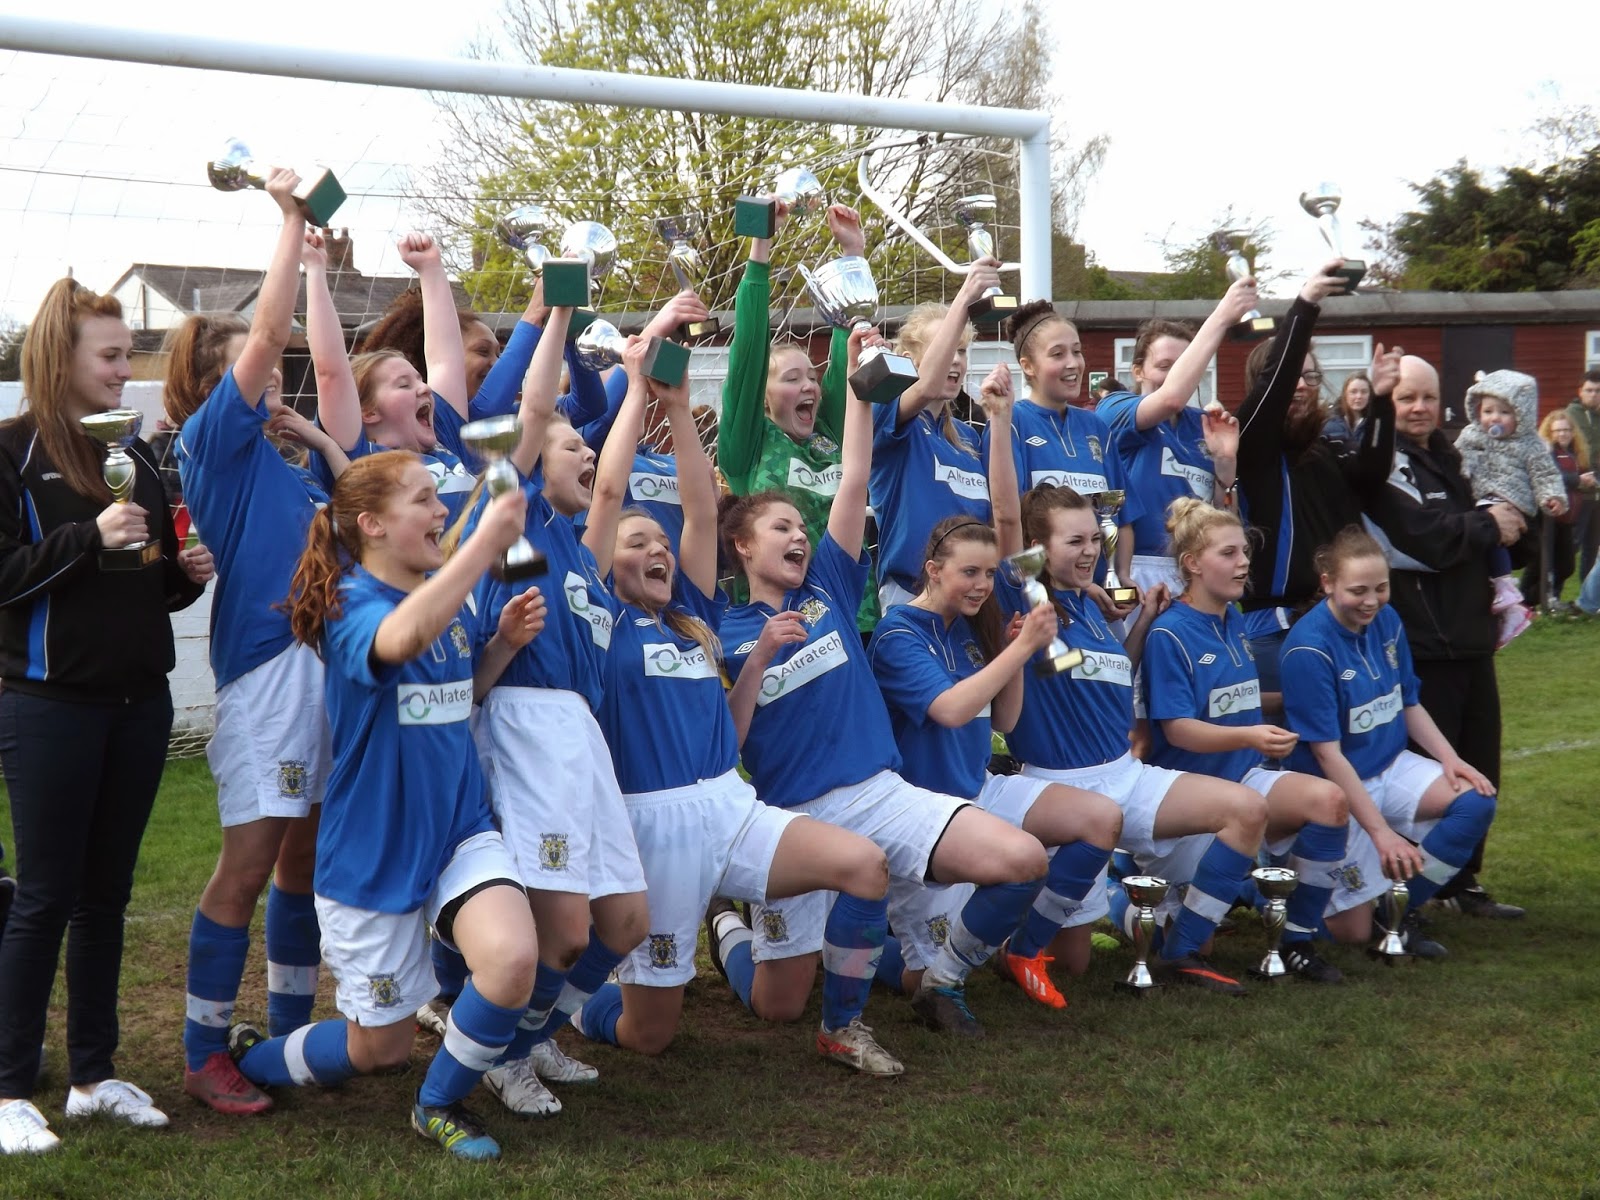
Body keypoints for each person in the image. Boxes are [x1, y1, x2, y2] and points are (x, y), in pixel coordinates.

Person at [713, 329, 1048, 1074]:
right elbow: (727, 743)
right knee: (775, 1003)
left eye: (802, 525)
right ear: (739, 545)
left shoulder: (828, 587)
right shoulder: (723, 627)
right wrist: (760, 655)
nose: (799, 534)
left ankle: (894, 1003)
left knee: (1021, 859)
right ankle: (732, 932)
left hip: (877, 792)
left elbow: (855, 477)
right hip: (792, 814)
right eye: (781, 527)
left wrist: (863, 391)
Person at [566, 339, 888, 1063]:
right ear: (601, 565)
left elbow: (703, 514)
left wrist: (679, 411)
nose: (657, 550)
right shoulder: (598, 622)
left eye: (661, 542)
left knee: (864, 865)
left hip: (730, 806)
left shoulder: (698, 618)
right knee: (649, 1037)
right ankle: (567, 1005)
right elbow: (610, 495)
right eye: (636, 544)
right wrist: (638, 400)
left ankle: (841, 1024)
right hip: (653, 826)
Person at [230, 451, 542, 1162]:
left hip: (460, 829)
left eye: (441, 501)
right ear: (371, 524)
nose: (441, 512)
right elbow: (398, 641)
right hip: (373, 849)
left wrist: (498, 647)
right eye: (425, 500)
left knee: (514, 959)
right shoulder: (349, 604)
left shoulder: (444, 602)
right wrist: (482, 547)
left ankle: (437, 1104)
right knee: (379, 1049)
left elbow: (455, 699)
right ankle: (255, 1061)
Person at [0, 277, 212, 1155]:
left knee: (106, 899)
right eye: (114, 356)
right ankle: (11, 1087)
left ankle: (93, 1075)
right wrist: (90, 537)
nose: (129, 371)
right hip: (49, 704)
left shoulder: (141, 457)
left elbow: (141, 587)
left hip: (138, 702)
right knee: (44, 895)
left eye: (130, 355)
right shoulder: (10, 450)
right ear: (64, 357)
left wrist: (178, 575)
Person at [986, 371, 1268, 996]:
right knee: (1077, 964)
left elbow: (1111, 675)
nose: (1089, 552)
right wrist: (1002, 421)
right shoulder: (1029, 593)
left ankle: (1183, 953)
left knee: (1246, 810)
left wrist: (1142, 622)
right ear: (1037, 548)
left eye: (1095, 539)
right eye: (1074, 542)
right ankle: (1017, 943)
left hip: (1125, 777)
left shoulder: (1092, 605)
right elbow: (1006, 514)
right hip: (1063, 789)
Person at [165, 198, 351, 1116]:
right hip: (268, 670)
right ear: (217, 382)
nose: (270, 370)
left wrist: (319, 267)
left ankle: (278, 1036)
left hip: (324, 669)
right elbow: (273, 333)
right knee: (247, 865)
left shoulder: (286, 457)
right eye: (250, 362)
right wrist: (289, 226)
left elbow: (344, 422)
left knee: (301, 863)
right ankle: (204, 1053)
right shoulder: (215, 443)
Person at [443, 301, 648, 1119]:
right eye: (574, 445)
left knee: (625, 923)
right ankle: (507, 1055)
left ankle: (535, 1037)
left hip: (582, 744)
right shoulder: (519, 523)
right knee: (563, 932)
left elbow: (615, 482)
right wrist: (558, 307)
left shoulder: (580, 550)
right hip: (526, 733)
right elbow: (529, 413)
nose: (586, 453)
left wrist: (641, 387)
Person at [869, 501, 1123, 1029]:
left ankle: (1019, 948)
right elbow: (951, 709)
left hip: (977, 791)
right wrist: (1022, 647)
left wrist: (1014, 654)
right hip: (925, 810)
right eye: (969, 572)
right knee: (913, 975)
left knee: (1100, 819)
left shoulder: (964, 628)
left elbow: (1004, 720)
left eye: (988, 573)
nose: (983, 585)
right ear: (934, 571)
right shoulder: (899, 633)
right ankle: (857, 945)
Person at [1142, 498, 1360, 981]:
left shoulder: (1232, 617)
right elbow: (1177, 729)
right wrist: (1250, 734)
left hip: (1244, 779)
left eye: (1244, 551)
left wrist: (1291, 703)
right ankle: (1173, 942)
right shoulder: (1170, 634)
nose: (1243, 562)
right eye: (1229, 553)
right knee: (1202, 920)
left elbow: (1232, 697)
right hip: (1190, 792)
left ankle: (1297, 940)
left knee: (1330, 801)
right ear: (1192, 564)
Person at [1279, 526, 1499, 951]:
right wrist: (1380, 832)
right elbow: (1327, 755)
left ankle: (1399, 909)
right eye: (1358, 590)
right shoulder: (1308, 648)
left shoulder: (1388, 619)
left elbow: (1408, 702)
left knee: (1475, 801)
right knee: (1350, 936)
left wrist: (1451, 759)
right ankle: (1267, 889)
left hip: (1390, 765)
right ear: (1328, 583)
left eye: (1381, 588)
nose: (1371, 601)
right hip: (1340, 786)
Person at [1362, 356, 1525, 919]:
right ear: (1389, 401)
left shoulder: (1452, 456)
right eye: (1407, 398)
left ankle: (1461, 882)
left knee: (1480, 765)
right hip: (1419, 642)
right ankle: (1410, 892)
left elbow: (1487, 533)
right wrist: (1487, 525)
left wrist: (1522, 519)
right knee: (1430, 772)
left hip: (1469, 637)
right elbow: (1422, 537)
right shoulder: (1381, 461)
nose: (1419, 408)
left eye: (1429, 397)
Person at [1233, 260, 1398, 691]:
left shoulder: (1326, 446)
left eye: (1312, 376)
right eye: (1295, 377)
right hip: (1275, 628)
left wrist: (1381, 402)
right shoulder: (1251, 444)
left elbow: (1371, 477)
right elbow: (1275, 384)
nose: (1303, 385)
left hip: (1338, 617)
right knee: (1288, 747)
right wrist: (1305, 305)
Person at [717, 201, 876, 633]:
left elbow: (848, 356)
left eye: (812, 376)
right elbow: (748, 352)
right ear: (763, 397)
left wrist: (852, 257)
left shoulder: (828, 435)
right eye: (791, 379)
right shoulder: (748, 445)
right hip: (779, 619)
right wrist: (761, 247)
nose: (808, 385)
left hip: (854, 615)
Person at [1095, 283, 1258, 595]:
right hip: (1138, 570)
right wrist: (1222, 316)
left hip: (1196, 572)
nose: (1177, 375)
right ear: (1138, 370)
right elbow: (1170, 398)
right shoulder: (1116, 408)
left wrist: (1225, 465)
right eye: (1165, 366)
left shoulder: (1204, 425)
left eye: (1186, 366)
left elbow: (1226, 521)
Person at [305, 232, 477, 521]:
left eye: (419, 379)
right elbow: (330, 372)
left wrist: (431, 268)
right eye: (403, 384)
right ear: (369, 411)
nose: (424, 388)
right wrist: (314, 270)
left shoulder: (443, 442)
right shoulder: (360, 457)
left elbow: (445, 361)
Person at [868, 276, 1001, 611]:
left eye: (961, 350)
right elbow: (924, 387)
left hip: (972, 597)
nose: (955, 359)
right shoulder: (889, 414)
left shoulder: (969, 437)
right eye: (946, 347)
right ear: (910, 359)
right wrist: (967, 297)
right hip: (911, 596)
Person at [989, 300, 1138, 587]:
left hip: (1098, 597)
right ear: (1028, 366)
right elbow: (1008, 519)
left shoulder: (1096, 426)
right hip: (1045, 594)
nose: (1072, 363)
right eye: (1057, 354)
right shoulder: (1012, 422)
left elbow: (1124, 517)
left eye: (1077, 351)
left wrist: (1121, 576)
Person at [1451, 371, 1567, 645]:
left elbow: (1545, 474)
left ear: (1521, 415)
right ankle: (1505, 605)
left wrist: (1552, 497)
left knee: (1492, 526)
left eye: (1504, 412)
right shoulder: (1471, 435)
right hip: (1478, 498)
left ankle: (1505, 585)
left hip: (1511, 500)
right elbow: (1454, 458)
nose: (1494, 418)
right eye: (1488, 410)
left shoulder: (1529, 445)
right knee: (1482, 535)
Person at [1526, 410, 1588, 610]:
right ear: (1550, 432)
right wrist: (1579, 480)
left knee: (1565, 564)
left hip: (1566, 519)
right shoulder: (1546, 451)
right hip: (1546, 516)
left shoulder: (1573, 453)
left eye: (1566, 430)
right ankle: (1535, 600)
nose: (1562, 434)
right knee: (1542, 563)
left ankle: (1537, 598)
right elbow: (1553, 476)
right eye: (1558, 430)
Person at [1565, 370, 1600, 578]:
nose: (1594, 394)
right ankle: (1552, 592)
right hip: (1580, 485)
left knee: (1593, 544)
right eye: (1589, 390)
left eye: (1598, 391)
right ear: (1580, 391)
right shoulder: (1571, 414)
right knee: (1573, 542)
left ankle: (1586, 596)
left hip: (1598, 485)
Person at [1323, 373, 1373, 451]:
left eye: (1364, 392)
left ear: (1370, 395)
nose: (1359, 396)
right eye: (1353, 392)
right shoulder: (1329, 422)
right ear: (1345, 394)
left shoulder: (1376, 424)